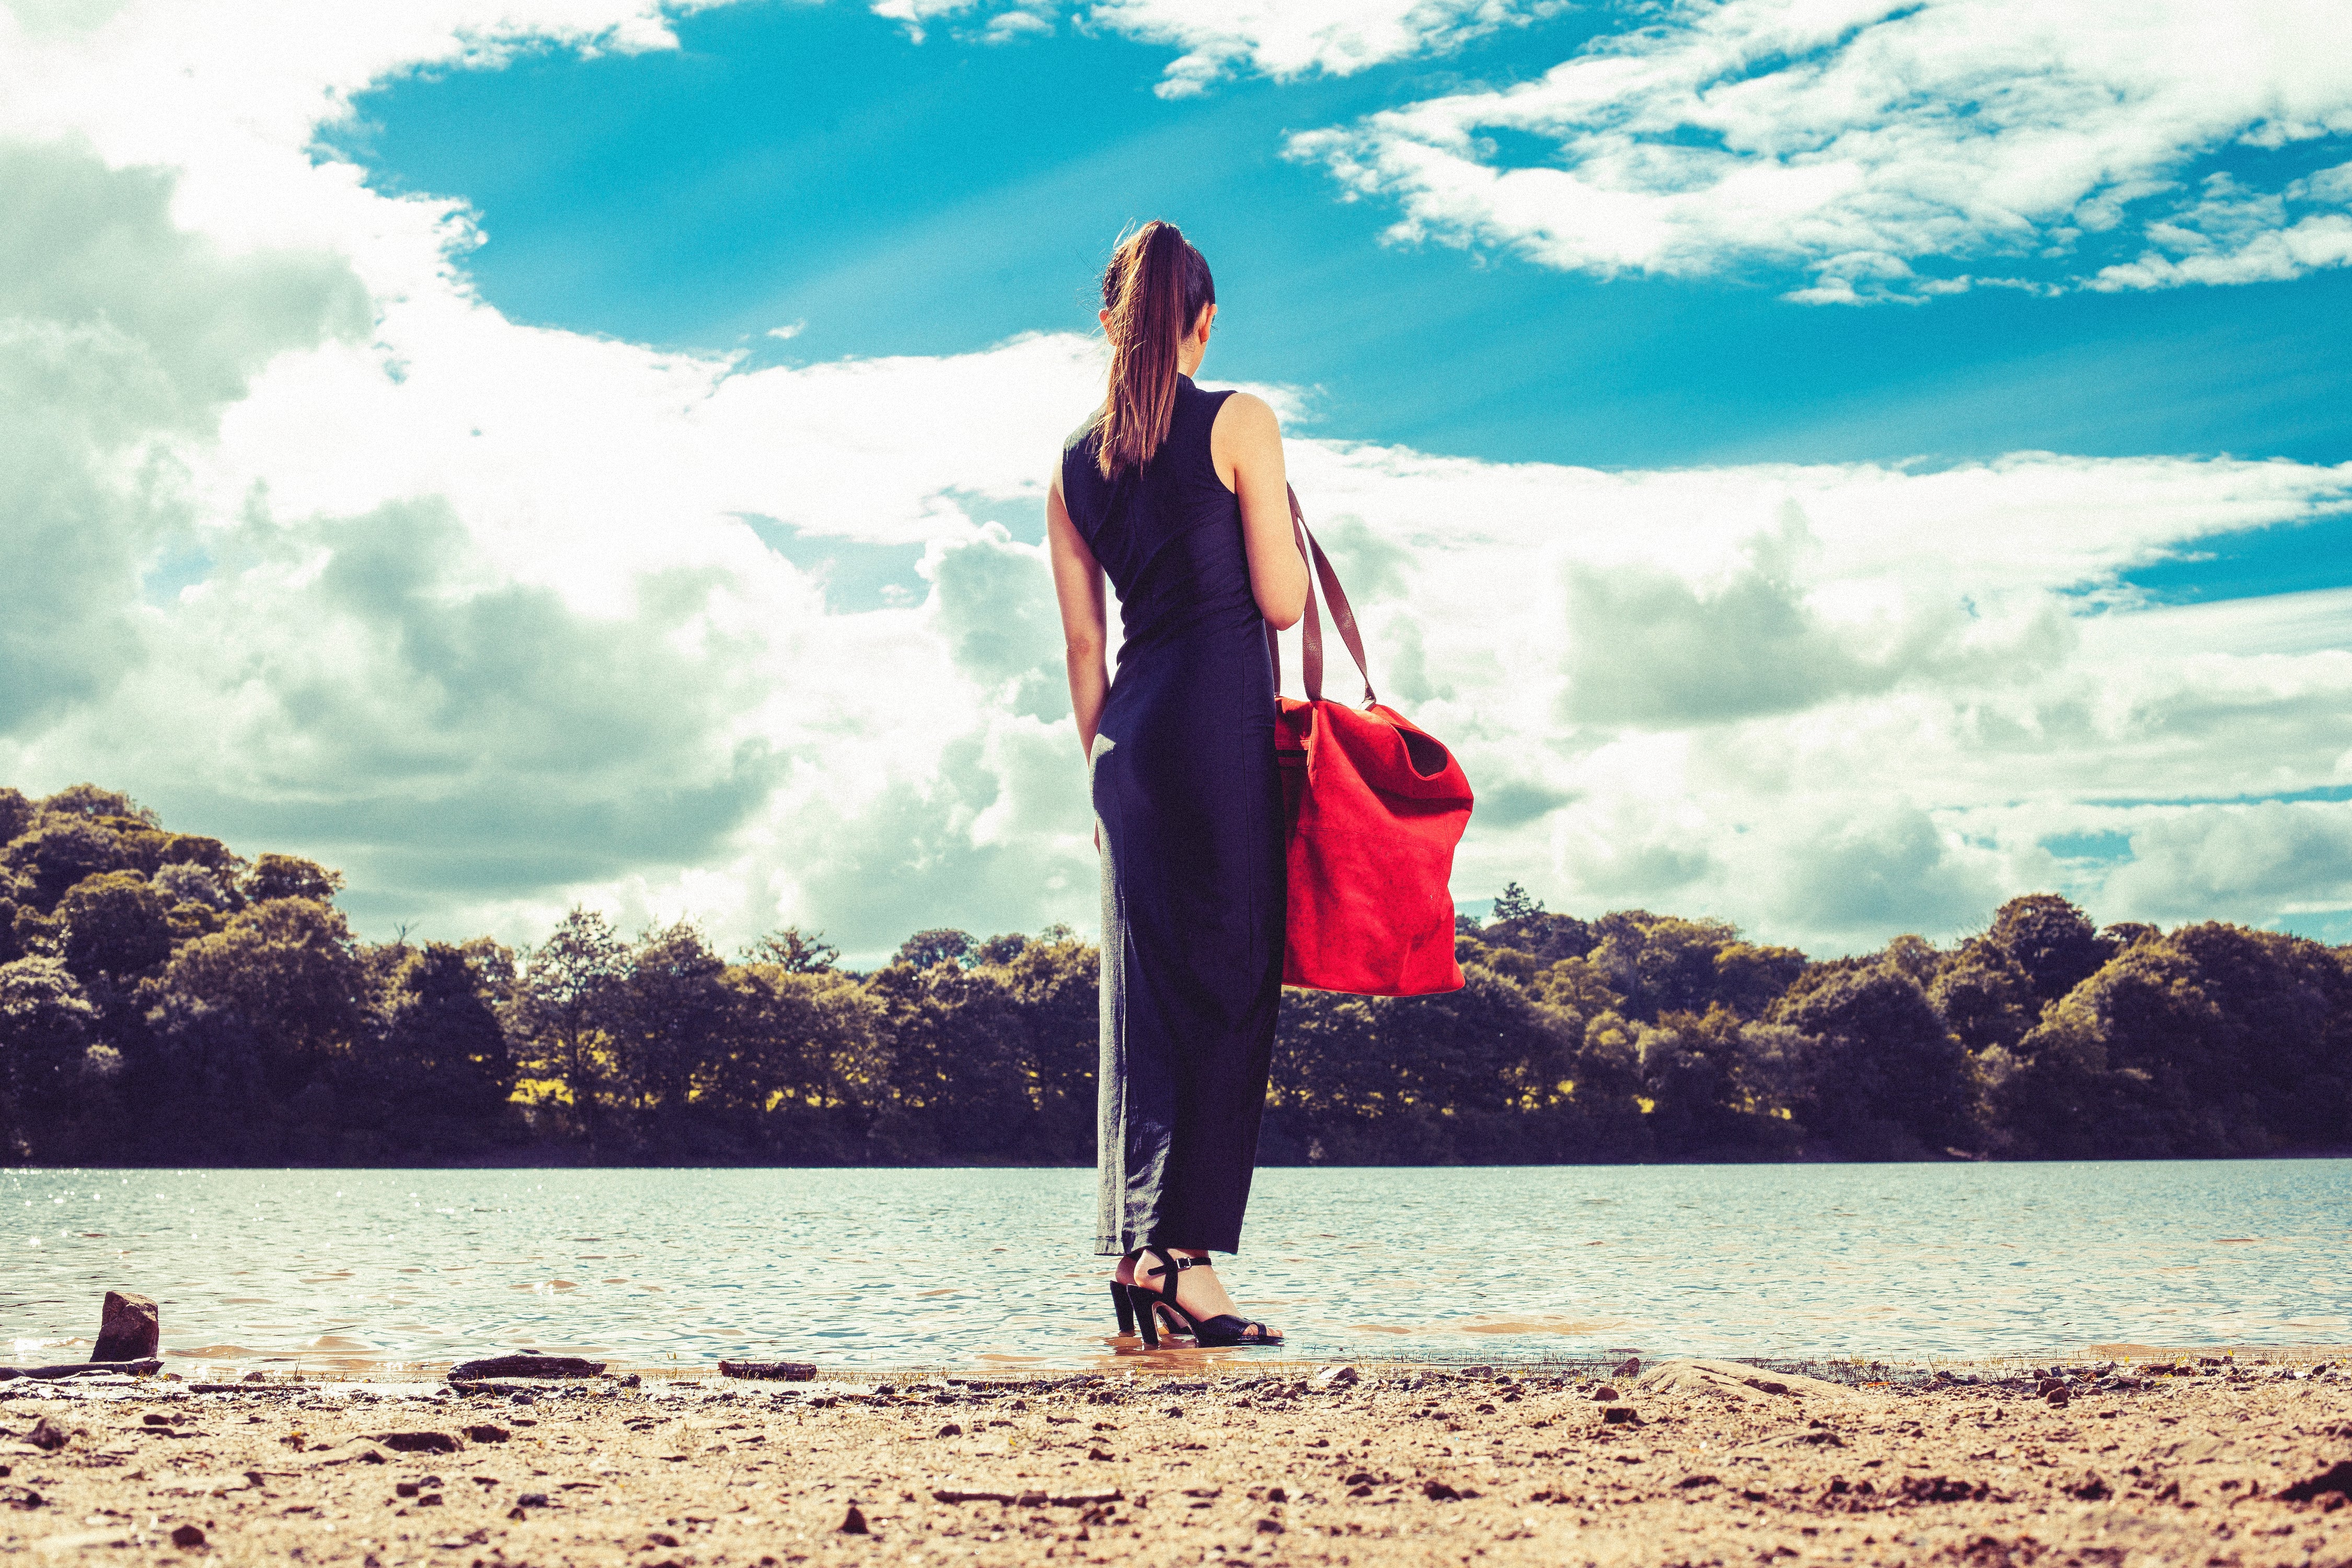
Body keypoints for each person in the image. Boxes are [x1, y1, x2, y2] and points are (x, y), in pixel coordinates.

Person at [1046, 221, 1307, 1348]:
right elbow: (1284, 603)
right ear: (1203, 321)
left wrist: (1104, 778)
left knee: (1144, 1004)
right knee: (1233, 986)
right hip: (1216, 734)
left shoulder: (1070, 465)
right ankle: (1184, 1263)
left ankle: (1138, 1248)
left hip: (1128, 747)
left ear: (1108, 321)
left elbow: (1081, 650)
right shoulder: (1240, 419)